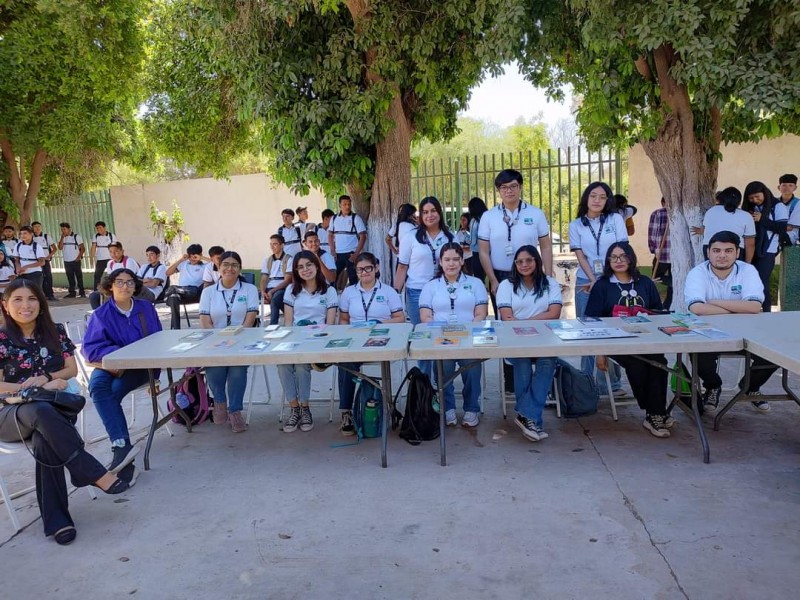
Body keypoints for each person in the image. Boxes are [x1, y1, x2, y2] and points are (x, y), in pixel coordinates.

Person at [0, 280, 131, 545]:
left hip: (54, 412)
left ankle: (58, 521)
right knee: (39, 408)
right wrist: (32, 387)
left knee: (45, 439)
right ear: (5, 304)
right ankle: (88, 469)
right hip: (10, 414)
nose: (26, 305)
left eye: (32, 299)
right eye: (18, 299)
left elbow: (71, 370)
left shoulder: (55, 331)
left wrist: (47, 378)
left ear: (41, 303)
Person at [82, 269, 163, 482]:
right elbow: (91, 349)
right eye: (119, 282)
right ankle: (122, 447)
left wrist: (156, 376)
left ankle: (122, 451)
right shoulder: (101, 314)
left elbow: (158, 341)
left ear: (135, 286)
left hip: (139, 367)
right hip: (108, 366)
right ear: (110, 286)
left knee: (113, 392)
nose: (125, 286)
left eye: (129, 283)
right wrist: (119, 354)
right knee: (97, 388)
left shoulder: (146, 309)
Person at [585, 242, 672, 438]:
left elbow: (658, 313)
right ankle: (656, 414)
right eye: (614, 257)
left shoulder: (645, 283)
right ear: (608, 261)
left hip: (647, 340)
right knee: (638, 364)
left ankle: (655, 413)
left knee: (660, 363)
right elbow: (592, 321)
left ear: (631, 258)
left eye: (623, 256)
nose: (618, 261)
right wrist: (600, 352)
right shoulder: (602, 285)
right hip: (616, 342)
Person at [685, 230, 775, 412]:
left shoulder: (748, 270)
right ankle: (713, 386)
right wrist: (738, 307)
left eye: (728, 250)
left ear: (737, 253)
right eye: (716, 250)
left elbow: (754, 307)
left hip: (747, 332)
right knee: (696, 353)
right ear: (708, 252)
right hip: (708, 332)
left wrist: (715, 302)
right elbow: (697, 308)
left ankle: (750, 387)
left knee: (774, 354)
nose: (722, 256)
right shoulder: (698, 273)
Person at [419, 242, 488, 428]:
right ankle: (448, 407)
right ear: (440, 262)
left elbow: (481, 313)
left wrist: (468, 332)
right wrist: (443, 334)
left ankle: (471, 408)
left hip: (468, 339)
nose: (451, 264)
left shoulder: (475, 283)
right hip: (442, 340)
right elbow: (426, 317)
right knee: (443, 371)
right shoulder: (431, 286)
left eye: (456, 259)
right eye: (447, 259)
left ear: (462, 260)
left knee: (473, 370)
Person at [497, 245, 561, 442]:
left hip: (544, 340)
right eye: (519, 261)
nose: (524, 265)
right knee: (522, 362)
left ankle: (526, 415)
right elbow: (507, 317)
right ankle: (532, 419)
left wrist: (522, 322)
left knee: (548, 362)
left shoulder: (550, 283)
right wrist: (533, 322)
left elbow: (555, 313)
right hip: (515, 340)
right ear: (515, 264)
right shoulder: (506, 286)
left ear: (537, 261)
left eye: (529, 260)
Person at [568, 181, 628, 392]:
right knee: (587, 330)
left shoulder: (615, 219)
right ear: (586, 197)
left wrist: (605, 278)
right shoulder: (576, 224)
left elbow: (621, 249)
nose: (597, 201)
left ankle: (611, 384)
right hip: (586, 281)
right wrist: (594, 279)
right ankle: (587, 383)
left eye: (602, 197)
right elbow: (580, 255)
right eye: (593, 196)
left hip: (612, 279)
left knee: (610, 330)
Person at [336, 252, 404, 435]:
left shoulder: (388, 292)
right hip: (356, 341)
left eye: (368, 268)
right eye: (360, 270)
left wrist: (379, 323)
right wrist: (348, 333)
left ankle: (387, 403)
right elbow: (343, 319)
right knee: (344, 363)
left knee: (383, 363)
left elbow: (400, 318)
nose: (364, 273)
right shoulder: (349, 293)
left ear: (376, 268)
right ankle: (347, 412)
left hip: (382, 340)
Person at [278, 251, 338, 433]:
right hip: (296, 340)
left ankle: (305, 408)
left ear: (316, 265)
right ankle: (294, 407)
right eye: (300, 267)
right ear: (295, 271)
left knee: (302, 364)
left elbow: (329, 325)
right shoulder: (291, 290)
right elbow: (288, 323)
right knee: (282, 364)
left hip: (319, 342)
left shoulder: (329, 291)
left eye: (309, 265)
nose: (305, 270)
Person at [199, 251, 259, 433]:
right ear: (218, 267)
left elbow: (250, 320)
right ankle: (219, 401)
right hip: (215, 342)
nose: (229, 268)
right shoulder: (208, 292)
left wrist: (236, 341)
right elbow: (205, 321)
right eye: (225, 264)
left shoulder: (249, 290)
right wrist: (217, 343)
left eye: (234, 265)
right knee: (214, 366)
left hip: (242, 340)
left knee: (237, 369)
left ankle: (235, 410)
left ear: (240, 269)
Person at [478, 169, 553, 302]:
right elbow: (483, 252)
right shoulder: (488, 216)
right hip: (499, 275)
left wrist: (548, 276)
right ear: (498, 190)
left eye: (513, 186)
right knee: (503, 319)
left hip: (530, 274)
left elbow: (546, 247)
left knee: (531, 316)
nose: (509, 191)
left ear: (520, 187)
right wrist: (493, 280)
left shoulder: (536, 213)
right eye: (504, 187)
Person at [394, 196, 454, 334]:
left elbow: (456, 264)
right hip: (416, 291)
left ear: (439, 212)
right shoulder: (410, 237)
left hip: (443, 290)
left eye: (433, 211)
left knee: (442, 332)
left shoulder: (449, 237)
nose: (429, 215)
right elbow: (402, 267)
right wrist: (396, 294)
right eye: (425, 212)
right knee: (421, 333)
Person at [741, 181, 788, 312]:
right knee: (749, 281)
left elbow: (782, 228)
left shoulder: (778, 207)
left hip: (768, 250)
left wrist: (762, 219)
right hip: (751, 249)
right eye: (751, 198)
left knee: (762, 281)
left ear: (765, 193)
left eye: (757, 196)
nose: (754, 200)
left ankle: (766, 311)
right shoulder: (750, 208)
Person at [690, 187, 755, 261]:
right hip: (734, 251)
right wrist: (747, 264)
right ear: (739, 202)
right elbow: (750, 244)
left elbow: (711, 229)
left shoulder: (711, 211)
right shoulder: (746, 216)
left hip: (712, 250)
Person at [89, 242, 152, 310]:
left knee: (112, 297)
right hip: (116, 287)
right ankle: (100, 315)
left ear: (122, 251)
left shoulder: (129, 262)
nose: (113, 254)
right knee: (94, 296)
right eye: (110, 252)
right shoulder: (110, 263)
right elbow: (110, 279)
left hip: (130, 288)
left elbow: (129, 280)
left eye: (116, 251)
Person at [164, 243, 207, 329]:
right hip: (181, 292)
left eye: (195, 257)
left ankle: (172, 290)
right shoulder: (184, 264)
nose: (192, 259)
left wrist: (202, 258)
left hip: (196, 291)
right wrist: (180, 260)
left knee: (177, 290)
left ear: (200, 255)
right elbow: (168, 273)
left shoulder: (205, 266)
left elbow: (218, 264)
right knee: (173, 297)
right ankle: (176, 328)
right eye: (190, 256)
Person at [328, 195, 367, 286]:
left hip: (351, 254)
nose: (347, 206)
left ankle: (354, 298)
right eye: (344, 204)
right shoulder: (334, 219)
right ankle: (333, 297)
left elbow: (363, 236)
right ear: (340, 205)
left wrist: (356, 254)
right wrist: (332, 251)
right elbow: (330, 235)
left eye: (349, 204)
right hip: (338, 255)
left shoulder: (355, 218)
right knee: (333, 278)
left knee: (353, 279)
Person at [260, 234, 293, 325]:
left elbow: (287, 280)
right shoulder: (267, 260)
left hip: (282, 288)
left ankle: (273, 325)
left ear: (282, 245)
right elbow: (263, 279)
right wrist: (263, 291)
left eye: (275, 244)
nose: (272, 246)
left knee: (275, 298)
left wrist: (272, 291)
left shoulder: (289, 259)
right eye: (271, 244)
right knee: (255, 295)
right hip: (269, 288)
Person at [647, 198, 672, 309]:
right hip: (676, 256)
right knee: (673, 278)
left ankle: (668, 303)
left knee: (655, 276)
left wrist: (654, 249)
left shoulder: (657, 213)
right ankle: (673, 283)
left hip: (662, 254)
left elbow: (653, 233)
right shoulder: (681, 212)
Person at [58, 222, 86, 298]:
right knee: (70, 277)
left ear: (69, 229)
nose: (63, 231)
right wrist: (62, 238)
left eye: (64, 229)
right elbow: (60, 248)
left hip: (75, 261)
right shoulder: (62, 238)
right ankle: (72, 292)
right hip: (67, 261)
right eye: (62, 229)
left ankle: (82, 292)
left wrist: (78, 258)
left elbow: (83, 248)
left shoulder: (76, 237)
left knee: (79, 277)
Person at [31, 221, 58, 300]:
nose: (37, 228)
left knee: (48, 277)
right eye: (35, 226)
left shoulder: (46, 236)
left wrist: (48, 256)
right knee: (39, 277)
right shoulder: (31, 237)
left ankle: (50, 294)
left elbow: (54, 248)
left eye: (39, 226)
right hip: (35, 261)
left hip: (45, 261)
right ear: (32, 228)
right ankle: (41, 295)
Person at [90, 221, 116, 290]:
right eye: (97, 228)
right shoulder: (95, 236)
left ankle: (113, 289)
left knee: (112, 275)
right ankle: (96, 290)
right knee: (97, 275)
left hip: (110, 259)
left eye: (100, 228)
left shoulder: (111, 235)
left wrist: (115, 258)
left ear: (104, 228)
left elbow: (115, 247)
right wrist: (91, 258)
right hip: (100, 259)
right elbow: (93, 247)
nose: (99, 230)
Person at [467, 196, 488, 282]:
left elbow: (472, 241)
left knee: (479, 278)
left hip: (477, 253)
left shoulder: (474, 221)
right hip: (489, 252)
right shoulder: (487, 218)